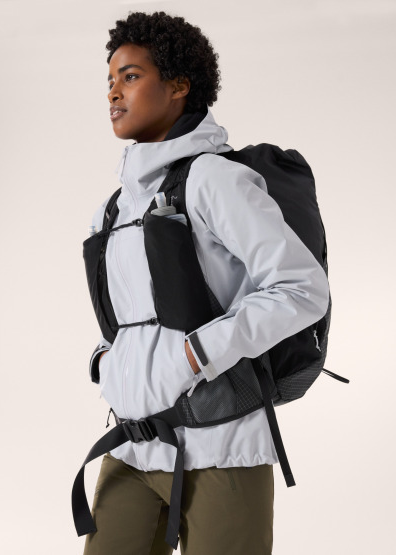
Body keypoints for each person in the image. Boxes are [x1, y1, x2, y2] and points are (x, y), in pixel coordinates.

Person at [83, 11, 330, 555]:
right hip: (131, 447)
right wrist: (106, 359)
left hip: (223, 447)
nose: (113, 92)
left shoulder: (216, 180)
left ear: (178, 86)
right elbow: (126, 318)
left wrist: (197, 353)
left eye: (131, 76)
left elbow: (301, 288)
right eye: (110, 79)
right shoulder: (113, 208)